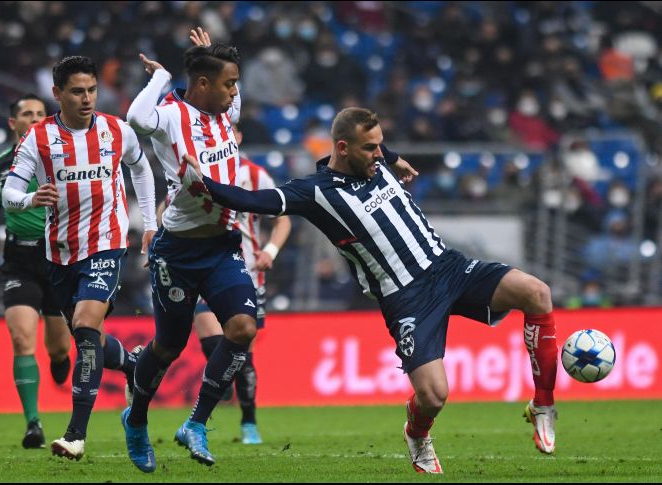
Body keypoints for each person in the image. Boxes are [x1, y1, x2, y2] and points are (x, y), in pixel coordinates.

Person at [180, 107, 559, 474]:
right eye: (370, 148)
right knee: (434, 396)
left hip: (449, 267)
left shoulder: (378, 162)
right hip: (407, 298)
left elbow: (377, 147)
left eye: (381, 146)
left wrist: (393, 157)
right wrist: (203, 185)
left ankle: (543, 404)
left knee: (536, 293)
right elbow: (253, 200)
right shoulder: (314, 192)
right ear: (343, 148)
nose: (379, 154)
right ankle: (417, 434)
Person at [2, 56, 158, 461]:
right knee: (89, 339)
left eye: (91, 90)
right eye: (77, 91)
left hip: (106, 244)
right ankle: (132, 365)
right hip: (59, 253)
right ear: (57, 94)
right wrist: (31, 198)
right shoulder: (38, 137)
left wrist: (151, 222)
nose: (87, 98)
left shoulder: (117, 130)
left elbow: (141, 169)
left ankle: (75, 435)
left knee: (87, 326)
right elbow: (9, 193)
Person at [121, 28, 258, 472]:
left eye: (235, 83)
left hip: (222, 245)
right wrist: (161, 77)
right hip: (178, 251)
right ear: (202, 84)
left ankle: (196, 423)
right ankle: (136, 420)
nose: (234, 92)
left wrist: (209, 54)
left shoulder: (225, 108)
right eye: (228, 83)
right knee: (168, 346)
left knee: (242, 328)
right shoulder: (168, 116)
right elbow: (135, 116)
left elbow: (224, 85)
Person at [0, 93, 71, 449]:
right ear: (12, 123)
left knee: (58, 348)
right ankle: (33, 423)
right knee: (21, 339)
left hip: (58, 257)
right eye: (27, 114)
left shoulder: (64, 159)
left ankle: (60, 357)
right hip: (20, 260)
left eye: (40, 113)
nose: (34, 119)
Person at [192, 124, 291, 445]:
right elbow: (169, 206)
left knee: (243, 356)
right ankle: (219, 382)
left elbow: (283, 218)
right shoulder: (196, 170)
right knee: (213, 342)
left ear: (238, 136)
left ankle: (249, 422)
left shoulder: (254, 174)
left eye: (230, 131)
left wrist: (270, 250)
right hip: (204, 269)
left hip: (247, 272)